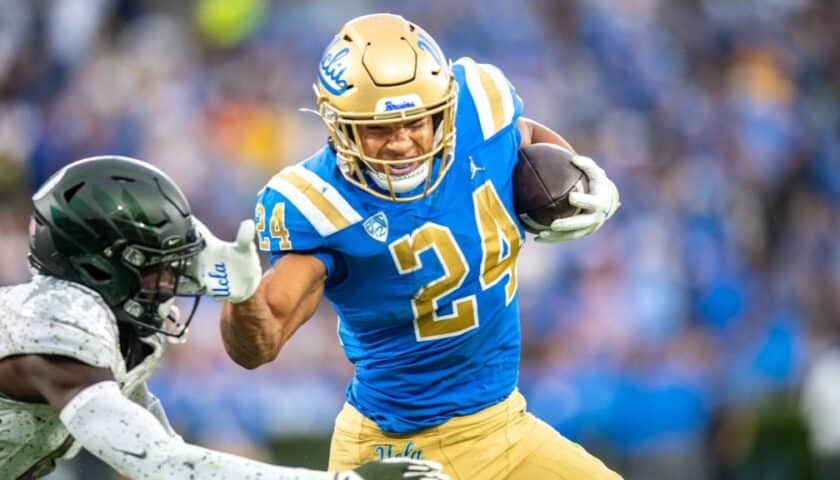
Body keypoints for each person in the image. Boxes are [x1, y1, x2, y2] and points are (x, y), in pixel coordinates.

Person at [202, 13, 622, 480]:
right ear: (339, 126)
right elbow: (260, 342)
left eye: (416, 121)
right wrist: (240, 298)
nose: (403, 142)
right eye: (380, 129)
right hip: (395, 452)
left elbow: (520, 134)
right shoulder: (323, 202)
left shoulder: (480, 110)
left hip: (506, 426)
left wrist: (575, 172)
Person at [0, 155, 449, 480]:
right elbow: (158, 462)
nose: (171, 282)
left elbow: (166, 454)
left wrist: (233, 281)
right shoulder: (56, 328)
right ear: (99, 267)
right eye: (157, 267)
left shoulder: (103, 325)